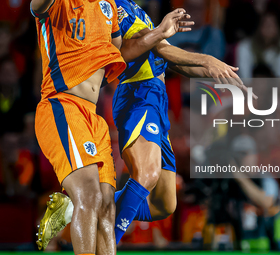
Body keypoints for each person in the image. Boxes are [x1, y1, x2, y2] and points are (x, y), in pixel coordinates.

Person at [38, 0, 251, 249]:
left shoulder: (133, 8)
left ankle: (74, 209)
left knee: (164, 204)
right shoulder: (115, 7)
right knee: (146, 175)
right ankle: (98, 228)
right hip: (138, 93)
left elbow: (171, 60)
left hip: (157, 98)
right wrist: (206, 59)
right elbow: (159, 49)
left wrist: (221, 74)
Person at [31, 0, 192, 253]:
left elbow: (122, 53)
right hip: (62, 105)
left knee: (106, 206)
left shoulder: (107, 8)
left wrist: (160, 32)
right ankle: (72, 209)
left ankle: (69, 210)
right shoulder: (59, 4)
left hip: (94, 118)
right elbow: (38, 5)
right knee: (91, 196)